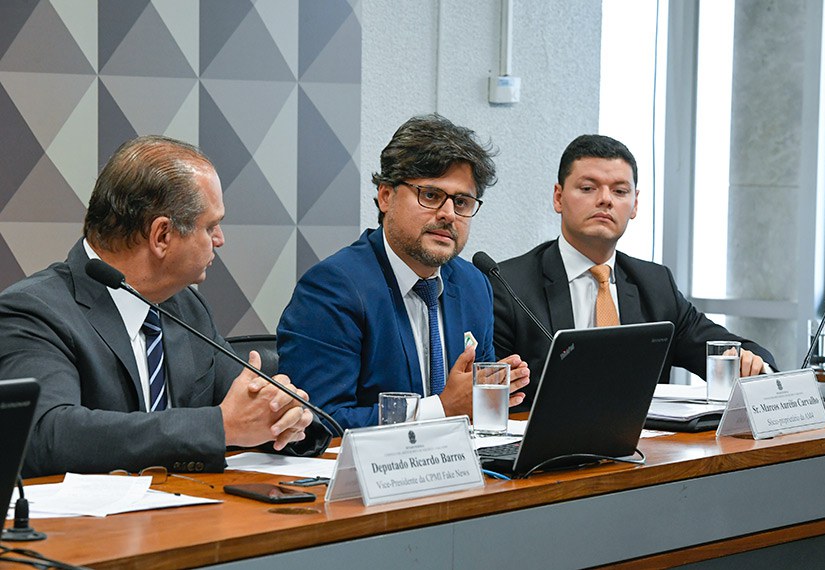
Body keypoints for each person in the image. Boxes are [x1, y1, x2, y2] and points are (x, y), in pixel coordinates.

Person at [0, 135, 330, 478]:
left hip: (190, 505)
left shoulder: (185, 307)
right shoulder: (33, 311)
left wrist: (286, 416)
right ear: (162, 236)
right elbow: (45, 434)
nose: (220, 240)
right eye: (210, 226)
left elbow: (249, 408)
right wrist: (220, 427)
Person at [277, 114, 529, 429]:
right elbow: (316, 422)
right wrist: (441, 409)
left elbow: (472, 405)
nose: (448, 214)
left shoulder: (473, 284)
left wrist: (491, 398)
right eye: (431, 195)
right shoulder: (333, 288)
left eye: (462, 202)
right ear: (386, 196)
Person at [493, 134, 776, 406]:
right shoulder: (509, 286)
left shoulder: (655, 284)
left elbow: (722, 349)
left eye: (619, 191)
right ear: (558, 197)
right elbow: (494, 391)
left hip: (646, 439)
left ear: (635, 204)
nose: (605, 199)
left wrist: (752, 363)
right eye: (588, 188)